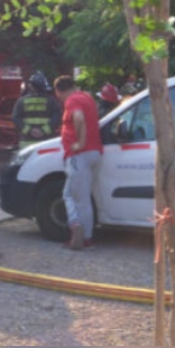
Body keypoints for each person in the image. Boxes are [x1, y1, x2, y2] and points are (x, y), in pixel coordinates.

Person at [54, 75, 103, 251]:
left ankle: (82, 233)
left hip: (79, 155)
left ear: (59, 91)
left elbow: (79, 117)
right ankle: (77, 226)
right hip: (94, 152)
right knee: (70, 193)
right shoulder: (87, 97)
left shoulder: (72, 100)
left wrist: (80, 143)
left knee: (79, 198)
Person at [12, 70, 62, 149]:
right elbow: (57, 119)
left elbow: (16, 118)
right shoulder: (51, 101)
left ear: (31, 86)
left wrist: (30, 131)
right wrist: (43, 131)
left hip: (26, 143)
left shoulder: (21, 101)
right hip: (45, 142)